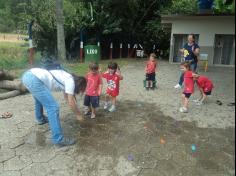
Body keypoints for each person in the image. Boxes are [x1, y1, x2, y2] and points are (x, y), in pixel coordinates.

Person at [22, 68, 87, 147]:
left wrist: (74, 108)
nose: (80, 91)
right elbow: (71, 101)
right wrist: (78, 114)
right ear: (79, 84)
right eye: (81, 89)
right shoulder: (71, 82)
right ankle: (59, 139)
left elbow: (67, 98)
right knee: (53, 107)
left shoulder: (67, 77)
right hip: (34, 79)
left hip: (29, 75)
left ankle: (40, 119)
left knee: (39, 99)